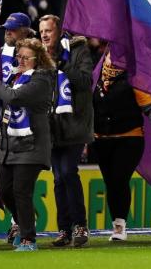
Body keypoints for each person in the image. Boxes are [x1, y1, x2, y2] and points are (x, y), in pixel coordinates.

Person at [0, 37, 54, 252]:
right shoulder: (15, 76)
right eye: (18, 56)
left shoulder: (41, 81)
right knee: (5, 192)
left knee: (21, 191)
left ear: (37, 59)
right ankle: (24, 224)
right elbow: (5, 111)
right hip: (8, 145)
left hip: (31, 146)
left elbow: (12, 98)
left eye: (25, 57)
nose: (20, 60)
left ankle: (29, 239)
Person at [91, 48, 151, 242]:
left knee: (119, 179)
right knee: (110, 182)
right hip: (101, 140)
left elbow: (150, 108)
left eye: (116, 56)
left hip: (129, 138)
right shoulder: (96, 78)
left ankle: (120, 225)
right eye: (109, 57)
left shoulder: (134, 78)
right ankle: (116, 225)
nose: (111, 60)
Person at [40, 14, 93, 248]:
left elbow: (83, 80)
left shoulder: (77, 49)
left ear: (59, 31)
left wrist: (60, 63)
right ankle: (64, 229)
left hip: (74, 123)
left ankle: (80, 225)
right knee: (58, 178)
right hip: (50, 127)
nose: (44, 35)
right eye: (41, 31)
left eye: (48, 31)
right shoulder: (37, 55)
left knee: (68, 172)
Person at [0, 12, 32, 81]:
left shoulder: (34, 57)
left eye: (12, 29)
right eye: (7, 28)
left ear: (25, 32)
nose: (8, 32)